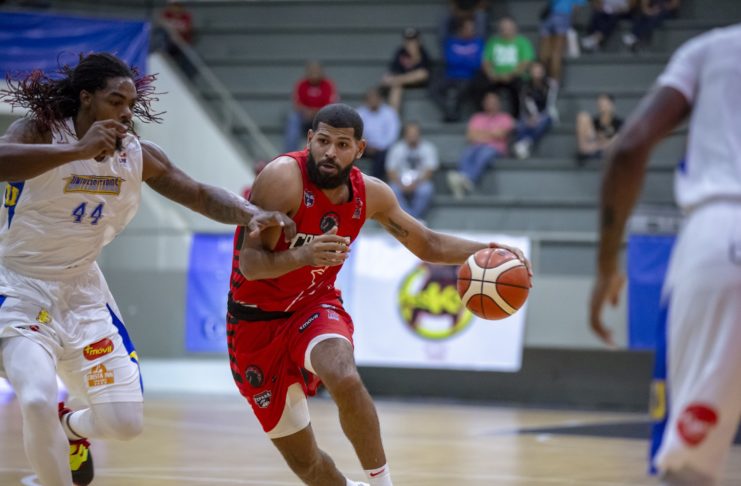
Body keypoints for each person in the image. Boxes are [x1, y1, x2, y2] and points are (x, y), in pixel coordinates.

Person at [0, 52, 295, 486]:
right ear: (86, 98)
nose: (126, 113)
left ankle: (72, 428)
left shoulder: (137, 154)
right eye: (115, 101)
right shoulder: (41, 131)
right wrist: (77, 151)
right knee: (35, 399)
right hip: (18, 287)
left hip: (82, 290)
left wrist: (250, 213)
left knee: (124, 422)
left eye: (130, 105)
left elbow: (198, 193)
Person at [227, 103, 531, 486]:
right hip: (254, 322)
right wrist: (303, 255)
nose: (330, 152)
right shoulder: (281, 179)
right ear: (309, 139)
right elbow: (250, 265)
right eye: (323, 141)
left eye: (342, 145)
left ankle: (382, 483)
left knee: (344, 376)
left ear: (360, 149)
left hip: (313, 305)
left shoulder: (371, 194)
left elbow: (428, 244)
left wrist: (488, 249)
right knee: (307, 465)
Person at [589, 24, 741, 486]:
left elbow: (630, 147)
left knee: (688, 467)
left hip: (723, 234)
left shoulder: (713, 49)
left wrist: (606, 266)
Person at [447, 92, 514, 198]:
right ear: (484, 103)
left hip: (496, 149)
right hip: (477, 147)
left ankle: (467, 179)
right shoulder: (477, 117)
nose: (491, 104)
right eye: (488, 102)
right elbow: (470, 137)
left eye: (493, 102)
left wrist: (481, 134)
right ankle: (462, 179)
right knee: (467, 152)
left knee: (484, 153)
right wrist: (492, 134)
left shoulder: (505, 118)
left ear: (499, 103)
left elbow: (501, 134)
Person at [475, 16, 534, 118]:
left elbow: (526, 62)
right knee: (479, 84)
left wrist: (510, 75)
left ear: (515, 28)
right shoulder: (493, 42)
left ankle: (516, 117)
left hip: (515, 76)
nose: (505, 30)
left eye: (508, 27)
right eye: (503, 28)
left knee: (518, 87)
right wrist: (491, 73)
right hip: (495, 76)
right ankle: (483, 117)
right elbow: (486, 61)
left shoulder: (523, 42)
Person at [431, 17, 486, 122]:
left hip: (470, 77)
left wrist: (460, 60)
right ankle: (449, 110)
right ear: (461, 30)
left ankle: (454, 111)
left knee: (466, 87)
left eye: (473, 28)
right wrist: (468, 60)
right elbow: (449, 60)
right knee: (434, 89)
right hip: (450, 75)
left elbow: (478, 63)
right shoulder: (451, 42)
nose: (472, 31)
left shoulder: (478, 42)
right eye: (468, 28)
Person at [385, 121, 439, 221]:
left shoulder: (428, 148)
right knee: (392, 189)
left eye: (415, 133)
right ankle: (406, 220)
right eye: (410, 133)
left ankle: (413, 220)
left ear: (419, 134)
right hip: (400, 181)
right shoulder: (396, 148)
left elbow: (430, 171)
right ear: (405, 134)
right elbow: (390, 170)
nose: (412, 136)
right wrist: (400, 184)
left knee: (426, 190)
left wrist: (416, 184)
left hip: (420, 181)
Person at [284, 61, 339, 152]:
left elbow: (332, 105)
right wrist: (306, 111)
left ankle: (329, 152)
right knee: (293, 119)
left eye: (316, 71)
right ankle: (290, 153)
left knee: (335, 118)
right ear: (307, 72)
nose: (314, 74)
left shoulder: (328, 84)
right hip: (304, 117)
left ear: (322, 72)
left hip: (323, 117)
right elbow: (296, 103)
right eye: (312, 71)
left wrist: (317, 112)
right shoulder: (301, 84)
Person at [512, 61, 558, 160]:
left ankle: (524, 143)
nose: (537, 73)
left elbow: (550, 103)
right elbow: (527, 104)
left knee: (543, 121)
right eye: (535, 70)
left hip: (547, 113)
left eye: (539, 70)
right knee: (521, 122)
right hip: (532, 114)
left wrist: (538, 117)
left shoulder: (551, 84)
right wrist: (532, 116)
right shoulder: (526, 87)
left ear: (544, 72)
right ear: (530, 72)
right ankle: (521, 143)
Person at [380, 28, 432, 112]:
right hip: (402, 83)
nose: (411, 43)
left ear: (419, 41)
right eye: (408, 41)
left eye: (413, 40)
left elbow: (424, 74)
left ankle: (396, 80)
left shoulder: (423, 53)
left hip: (419, 83)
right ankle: (393, 117)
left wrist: (415, 55)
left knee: (420, 74)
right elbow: (392, 71)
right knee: (396, 86)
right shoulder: (400, 52)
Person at [356, 87, 401, 181]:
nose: (373, 100)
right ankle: (352, 179)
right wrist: (366, 145)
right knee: (350, 150)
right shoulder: (359, 112)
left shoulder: (389, 113)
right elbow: (356, 133)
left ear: (381, 99)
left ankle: (375, 182)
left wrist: (378, 147)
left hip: (382, 149)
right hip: (364, 146)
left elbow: (392, 136)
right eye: (370, 98)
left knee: (385, 155)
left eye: (375, 97)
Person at [539, 0, 587, 81]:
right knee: (557, 52)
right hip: (562, 16)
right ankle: (553, 81)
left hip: (548, 16)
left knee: (544, 51)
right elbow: (576, 7)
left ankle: (542, 79)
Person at [575, 93, 623, 165]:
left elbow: (617, 142)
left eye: (605, 104)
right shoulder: (593, 122)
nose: (603, 107)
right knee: (583, 116)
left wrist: (604, 143)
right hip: (592, 150)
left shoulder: (619, 123)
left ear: (612, 105)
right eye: (600, 104)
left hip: (610, 153)